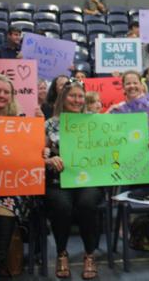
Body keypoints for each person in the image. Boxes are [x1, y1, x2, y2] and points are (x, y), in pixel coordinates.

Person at [0, 75, 42, 280]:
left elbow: (32, 156)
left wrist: (40, 134)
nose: (1, 95)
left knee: (5, 204)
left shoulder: (21, 122)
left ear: (12, 97)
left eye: (6, 92)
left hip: (12, 186)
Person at [44, 80, 103, 279]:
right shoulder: (50, 124)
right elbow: (38, 154)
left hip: (89, 179)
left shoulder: (94, 121)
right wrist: (49, 158)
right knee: (62, 206)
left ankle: (89, 254)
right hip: (57, 180)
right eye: (72, 96)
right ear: (63, 97)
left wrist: (143, 141)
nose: (77, 100)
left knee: (87, 204)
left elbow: (114, 146)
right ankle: (62, 252)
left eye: (80, 96)